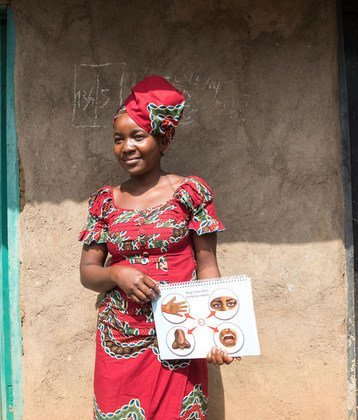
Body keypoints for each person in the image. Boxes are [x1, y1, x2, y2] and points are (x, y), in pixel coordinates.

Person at [78, 75, 233, 419]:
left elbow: (207, 267)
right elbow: (88, 273)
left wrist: (219, 331)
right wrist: (116, 273)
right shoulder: (105, 202)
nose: (126, 147)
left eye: (138, 136)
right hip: (118, 339)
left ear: (162, 141)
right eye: (118, 139)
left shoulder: (190, 193)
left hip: (179, 336)